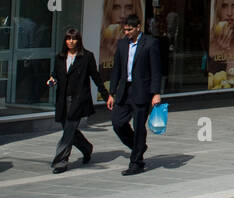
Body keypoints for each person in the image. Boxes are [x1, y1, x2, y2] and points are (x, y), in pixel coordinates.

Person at [106, 14, 164, 175]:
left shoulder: (150, 43)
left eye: (130, 29)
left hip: (142, 92)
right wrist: (111, 93)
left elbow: (156, 70)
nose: (127, 33)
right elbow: (116, 68)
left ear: (138, 27)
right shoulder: (122, 44)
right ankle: (138, 146)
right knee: (117, 123)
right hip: (124, 91)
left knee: (139, 127)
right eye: (124, 30)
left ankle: (136, 162)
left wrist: (156, 93)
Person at [46, 28, 106, 173]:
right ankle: (87, 148)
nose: (70, 42)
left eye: (73, 39)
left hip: (78, 100)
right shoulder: (60, 57)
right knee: (68, 128)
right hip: (63, 99)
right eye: (68, 39)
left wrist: (106, 95)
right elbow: (55, 74)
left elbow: (95, 76)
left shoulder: (86, 57)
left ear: (78, 40)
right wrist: (52, 80)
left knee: (68, 132)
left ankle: (60, 162)